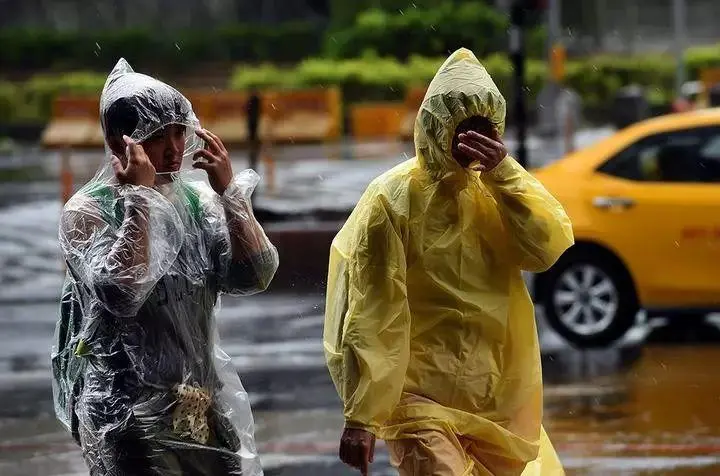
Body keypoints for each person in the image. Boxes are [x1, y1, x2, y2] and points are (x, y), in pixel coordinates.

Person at [323, 48, 574, 475]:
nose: (473, 142)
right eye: (464, 128)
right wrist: (362, 416)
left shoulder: (500, 190)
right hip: (419, 401)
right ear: (438, 126)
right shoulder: (392, 199)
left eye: (485, 130)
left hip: (495, 400)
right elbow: (373, 309)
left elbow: (545, 248)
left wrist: (505, 174)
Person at [51, 58, 278, 476]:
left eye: (180, 132)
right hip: (130, 415)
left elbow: (255, 274)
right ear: (123, 143)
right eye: (158, 137)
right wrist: (138, 200)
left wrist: (231, 197)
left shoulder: (195, 202)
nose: (175, 149)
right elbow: (123, 292)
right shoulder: (88, 211)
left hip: (201, 406)